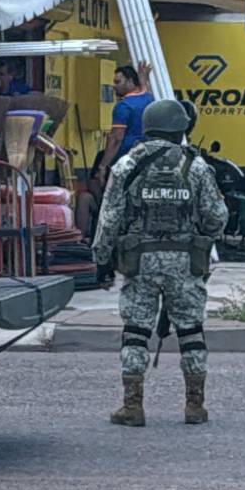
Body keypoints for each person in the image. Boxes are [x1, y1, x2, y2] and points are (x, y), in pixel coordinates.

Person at [93, 99, 227, 427]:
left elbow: (109, 218)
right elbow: (217, 217)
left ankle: (132, 406)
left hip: (140, 262)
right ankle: (195, 406)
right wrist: (200, 237)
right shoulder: (195, 166)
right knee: (191, 331)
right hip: (185, 262)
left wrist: (101, 259)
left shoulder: (127, 165)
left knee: (136, 331)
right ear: (181, 128)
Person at [95, 63, 155, 186]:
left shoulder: (123, 106)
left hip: (126, 161)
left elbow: (116, 139)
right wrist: (144, 79)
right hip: (148, 160)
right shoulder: (149, 99)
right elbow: (144, 90)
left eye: (118, 82)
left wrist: (102, 166)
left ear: (130, 81)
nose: (114, 86)